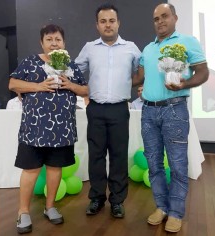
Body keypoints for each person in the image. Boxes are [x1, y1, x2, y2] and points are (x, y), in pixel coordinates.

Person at [132, 3, 209, 233]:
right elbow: (139, 79)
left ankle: (176, 212)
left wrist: (185, 83)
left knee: (177, 165)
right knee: (154, 164)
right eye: (156, 18)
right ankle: (162, 207)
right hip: (148, 112)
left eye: (165, 16)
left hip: (175, 110)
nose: (160, 21)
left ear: (174, 18)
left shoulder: (187, 42)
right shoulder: (147, 49)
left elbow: (203, 71)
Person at [8, 24, 88, 234]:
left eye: (58, 39)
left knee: (55, 169)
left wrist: (70, 84)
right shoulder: (30, 62)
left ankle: (50, 207)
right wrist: (38, 86)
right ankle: (23, 212)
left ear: (64, 43)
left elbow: (85, 89)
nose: (54, 43)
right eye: (49, 39)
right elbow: (13, 84)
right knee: (31, 169)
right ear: (42, 43)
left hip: (62, 129)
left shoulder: (71, 66)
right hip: (34, 128)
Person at [75, 3, 141, 218]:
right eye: (103, 21)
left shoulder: (131, 48)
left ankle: (117, 201)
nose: (108, 25)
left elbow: (142, 71)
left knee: (119, 157)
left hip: (120, 110)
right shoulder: (89, 48)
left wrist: (133, 84)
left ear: (118, 23)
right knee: (96, 156)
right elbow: (75, 71)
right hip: (95, 110)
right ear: (97, 25)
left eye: (111, 21)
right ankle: (96, 198)